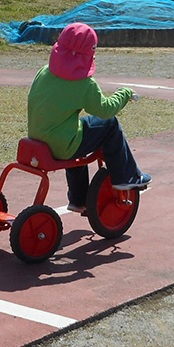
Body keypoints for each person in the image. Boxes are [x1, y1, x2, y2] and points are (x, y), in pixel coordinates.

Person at [26, 22, 150, 215]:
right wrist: (124, 94)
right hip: (62, 144)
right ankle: (127, 177)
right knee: (109, 124)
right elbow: (106, 110)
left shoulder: (45, 71)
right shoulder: (83, 83)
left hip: (37, 137)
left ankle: (78, 199)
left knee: (78, 133)